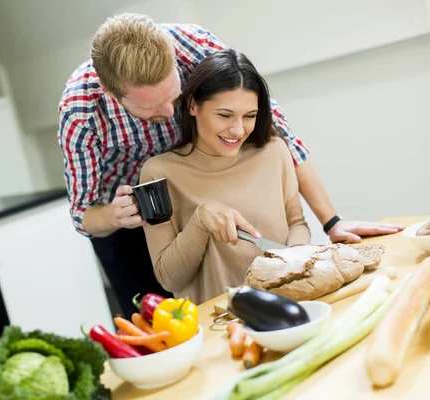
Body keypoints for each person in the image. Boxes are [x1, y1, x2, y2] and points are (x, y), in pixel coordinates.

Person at [57, 13, 403, 315]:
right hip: (127, 214)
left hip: (207, 175)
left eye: (174, 98)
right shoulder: (79, 109)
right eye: (149, 110)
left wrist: (332, 222)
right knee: (155, 317)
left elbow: (284, 137)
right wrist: (114, 216)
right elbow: (82, 213)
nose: (167, 115)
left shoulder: (194, 45)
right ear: (108, 89)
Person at [140, 48, 310, 303]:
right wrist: (200, 221)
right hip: (217, 326)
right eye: (225, 115)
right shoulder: (157, 173)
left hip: (290, 304)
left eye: (249, 116)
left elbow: (296, 222)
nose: (238, 130)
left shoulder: (274, 151)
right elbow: (169, 278)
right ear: (193, 105)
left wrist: (296, 255)